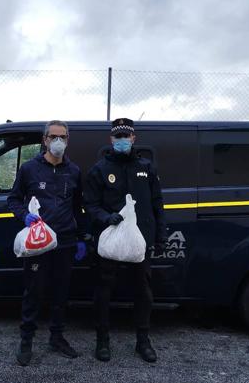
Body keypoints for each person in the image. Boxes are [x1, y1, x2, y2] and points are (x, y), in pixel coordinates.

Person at [83, 117, 166, 363]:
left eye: (125, 136)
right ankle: (102, 341)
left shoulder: (146, 167)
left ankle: (143, 341)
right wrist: (107, 217)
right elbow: (90, 204)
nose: (122, 140)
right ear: (111, 139)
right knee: (103, 291)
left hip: (140, 242)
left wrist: (160, 235)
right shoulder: (100, 169)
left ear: (133, 138)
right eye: (117, 136)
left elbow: (157, 204)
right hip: (109, 240)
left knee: (143, 291)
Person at [7, 120, 86, 366]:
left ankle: (57, 337)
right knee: (33, 292)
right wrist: (24, 216)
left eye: (62, 136)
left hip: (64, 242)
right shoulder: (29, 169)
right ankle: (26, 340)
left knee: (60, 294)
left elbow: (78, 207)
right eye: (53, 136)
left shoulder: (73, 171)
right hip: (37, 243)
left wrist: (81, 237)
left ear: (68, 140)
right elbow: (13, 199)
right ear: (45, 140)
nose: (58, 141)